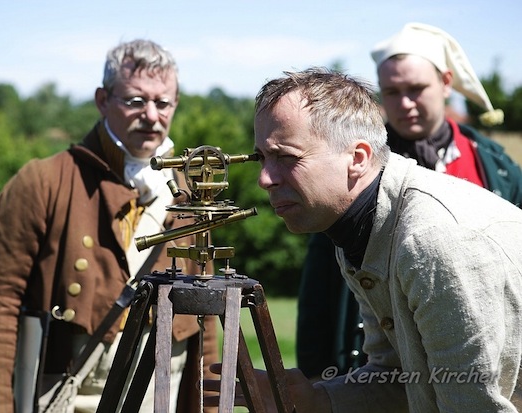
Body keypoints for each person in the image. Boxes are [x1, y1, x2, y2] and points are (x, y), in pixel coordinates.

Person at [207, 66, 522, 412]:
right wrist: (317, 399)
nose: (265, 179)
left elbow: (472, 405)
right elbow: (398, 376)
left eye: (287, 157)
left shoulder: (430, 241)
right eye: (262, 158)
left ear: (357, 159)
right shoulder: (359, 228)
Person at [0, 39, 218, 413]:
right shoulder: (43, 182)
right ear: (103, 100)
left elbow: (207, 307)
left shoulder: (190, 190)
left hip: (165, 388)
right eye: (135, 100)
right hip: (70, 390)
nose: (151, 115)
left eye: (163, 102)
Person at [296, 22, 522, 381]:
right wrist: (317, 383)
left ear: (446, 83)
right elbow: (321, 290)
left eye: (416, 89)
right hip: (380, 366)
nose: (404, 103)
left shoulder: (494, 166)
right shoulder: (353, 169)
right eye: (391, 91)